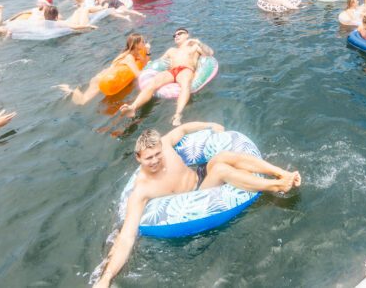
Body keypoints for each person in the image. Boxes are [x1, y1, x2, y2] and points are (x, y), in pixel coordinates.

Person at [93, 123, 301, 288]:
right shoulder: (142, 190)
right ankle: (275, 186)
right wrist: (107, 277)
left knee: (223, 157)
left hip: (199, 175)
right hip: (197, 196)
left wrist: (209, 124)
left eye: (158, 154)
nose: (155, 160)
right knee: (220, 169)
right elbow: (127, 237)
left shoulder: (164, 145)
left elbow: (183, 129)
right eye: (149, 158)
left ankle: (280, 172)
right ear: (138, 158)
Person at [120, 29, 214, 125]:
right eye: (175, 35)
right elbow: (159, 62)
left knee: (185, 85)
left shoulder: (194, 47)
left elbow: (210, 53)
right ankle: (133, 107)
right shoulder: (171, 51)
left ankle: (177, 115)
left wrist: (198, 43)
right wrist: (148, 59)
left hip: (186, 69)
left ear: (187, 35)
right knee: (153, 83)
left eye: (180, 33)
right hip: (171, 71)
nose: (176, 36)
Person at [55, 34, 150, 105]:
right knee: (83, 102)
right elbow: (138, 74)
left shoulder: (134, 53)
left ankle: (72, 90)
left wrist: (148, 52)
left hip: (106, 77)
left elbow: (145, 62)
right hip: (100, 79)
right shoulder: (129, 57)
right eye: (143, 42)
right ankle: (71, 89)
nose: (144, 43)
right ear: (136, 45)